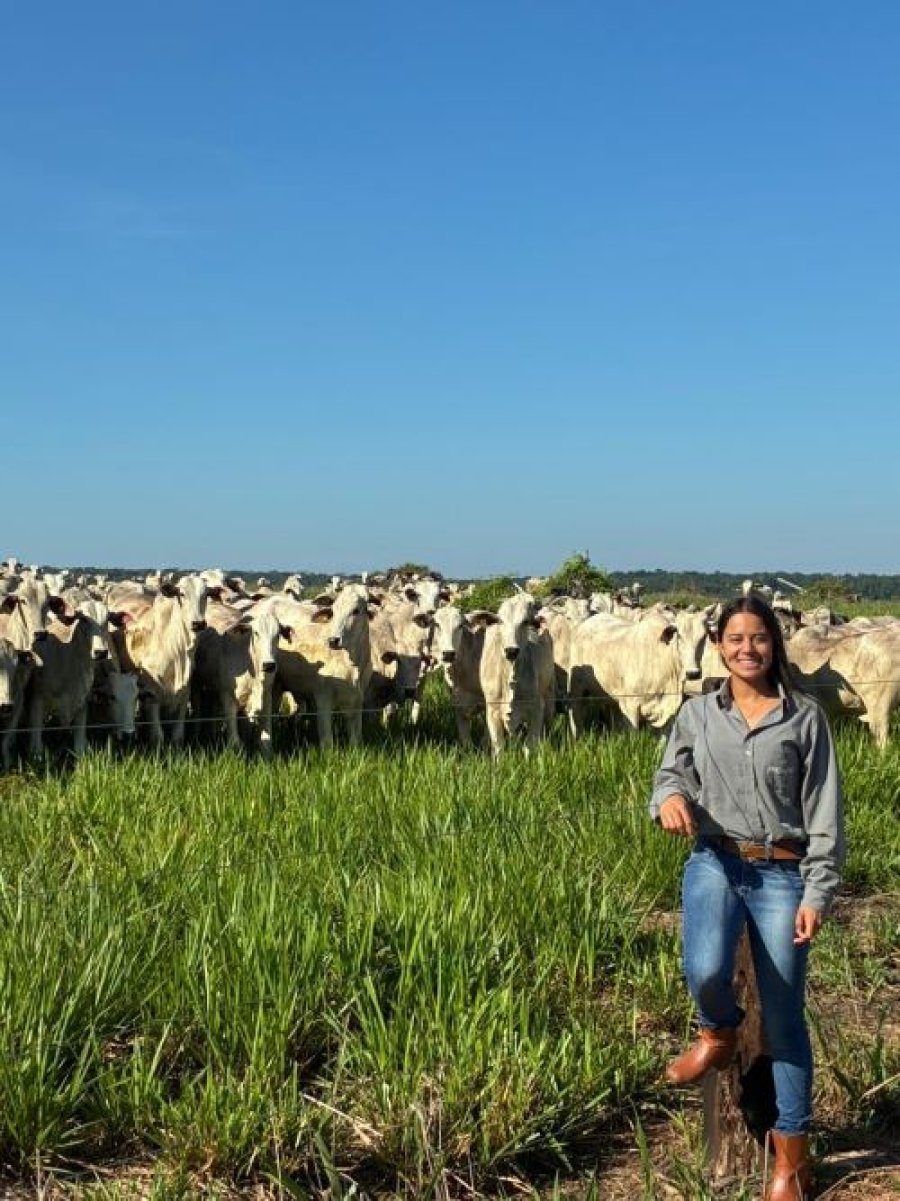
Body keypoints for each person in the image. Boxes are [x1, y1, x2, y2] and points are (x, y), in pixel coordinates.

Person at [649, 595, 845, 1201]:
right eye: (735, 638)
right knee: (704, 967)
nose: (747, 649)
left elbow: (825, 813)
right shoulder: (697, 714)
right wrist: (670, 801)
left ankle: (791, 1160)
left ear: (774, 644)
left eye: (758, 638)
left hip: (782, 875)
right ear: (718, 645)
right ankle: (718, 1031)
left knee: (785, 1018)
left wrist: (819, 889)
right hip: (716, 859)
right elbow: (670, 774)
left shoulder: (804, 718)